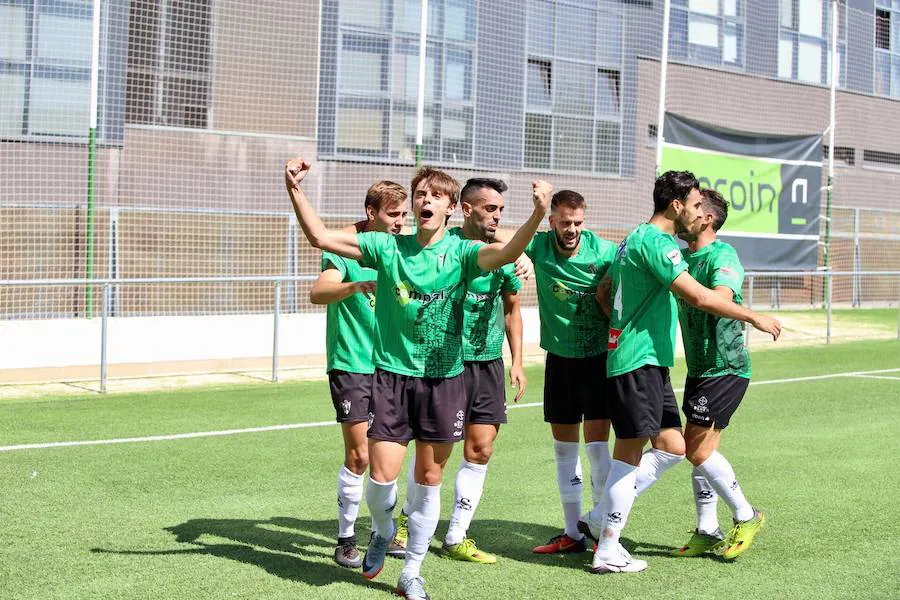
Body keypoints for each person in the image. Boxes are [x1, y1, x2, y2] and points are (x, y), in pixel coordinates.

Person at [285, 157, 551, 600]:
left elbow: (505, 253)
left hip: (445, 382)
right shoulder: (388, 248)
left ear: (451, 208)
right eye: (420, 194)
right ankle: (382, 530)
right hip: (391, 378)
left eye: (436, 196)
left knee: (429, 478)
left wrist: (538, 213)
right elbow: (318, 236)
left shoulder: (463, 254)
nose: (424, 200)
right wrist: (294, 188)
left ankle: (412, 571)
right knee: (382, 480)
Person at [585, 170, 781, 575]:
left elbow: (605, 293)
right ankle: (606, 541)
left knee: (675, 446)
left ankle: (613, 520)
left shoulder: (634, 240)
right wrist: (754, 316)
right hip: (639, 361)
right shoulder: (658, 243)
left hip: (656, 362)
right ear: (676, 206)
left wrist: (624, 326)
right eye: (693, 204)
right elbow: (697, 296)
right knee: (633, 454)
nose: (696, 211)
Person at [309, 181, 409, 569]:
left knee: (392, 456)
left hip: (394, 366)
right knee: (359, 455)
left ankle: (385, 532)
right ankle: (345, 538)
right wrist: (354, 286)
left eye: (404, 215)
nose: (400, 223)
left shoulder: (402, 249)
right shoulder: (346, 249)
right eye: (393, 215)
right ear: (371, 213)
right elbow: (318, 292)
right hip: (352, 364)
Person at [520, 190, 618, 555]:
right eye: (564, 223)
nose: (572, 229)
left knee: (596, 451)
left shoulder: (605, 252)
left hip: (597, 361)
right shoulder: (539, 245)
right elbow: (502, 243)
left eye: (578, 223)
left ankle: (601, 531)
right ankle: (571, 533)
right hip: (559, 360)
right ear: (552, 222)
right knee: (564, 452)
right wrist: (524, 257)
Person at [668, 188, 764, 560]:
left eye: (691, 210)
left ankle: (747, 513)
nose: (682, 216)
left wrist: (749, 314)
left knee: (695, 448)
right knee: (702, 451)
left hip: (726, 367)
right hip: (700, 369)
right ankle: (708, 530)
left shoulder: (722, 255)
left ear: (706, 218)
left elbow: (721, 296)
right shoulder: (680, 257)